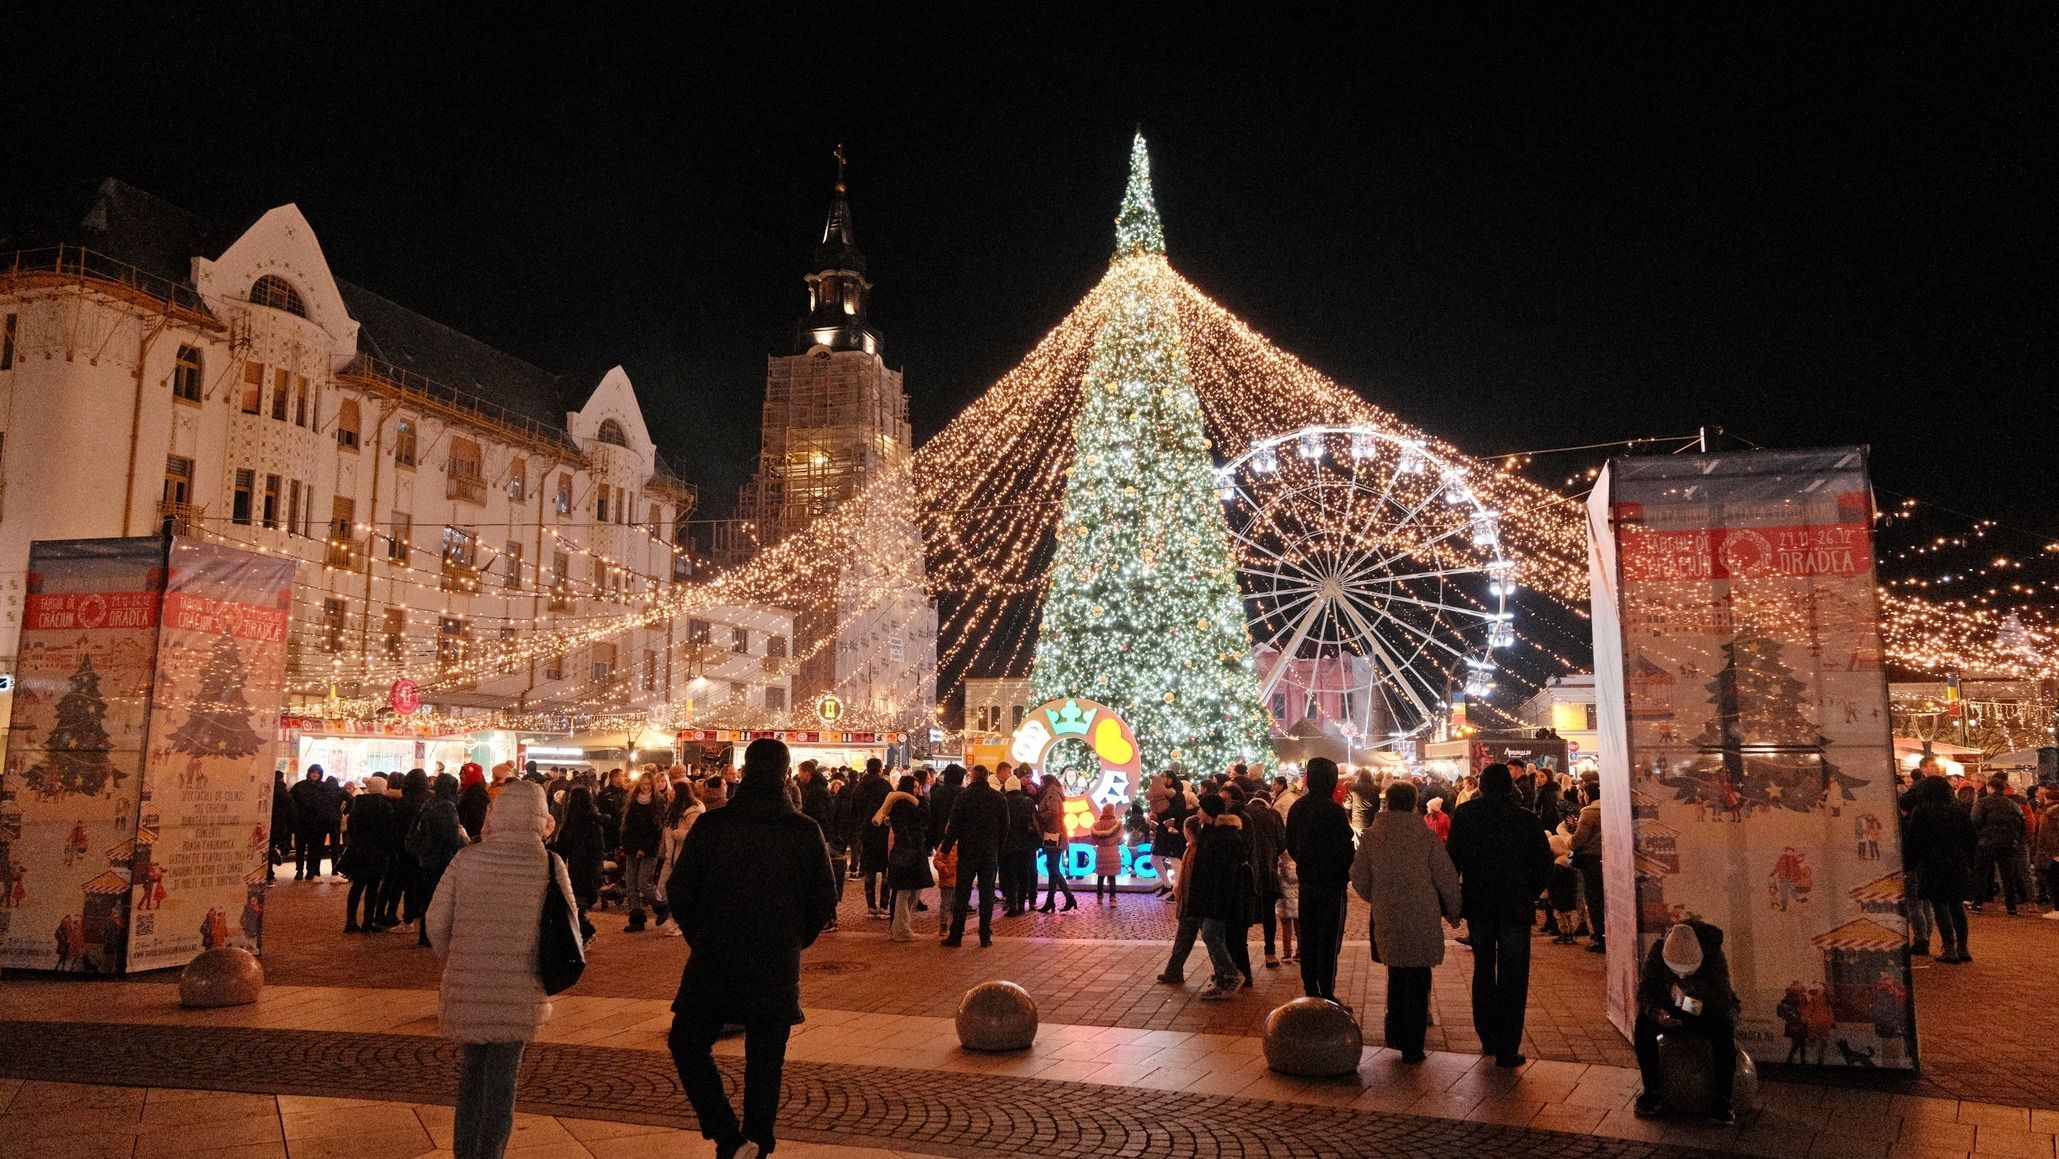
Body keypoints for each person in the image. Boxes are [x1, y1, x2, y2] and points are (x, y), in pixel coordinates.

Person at [666, 738, 837, 1159]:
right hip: (775, 959)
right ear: (784, 773)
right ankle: (756, 1142)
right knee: (765, 1061)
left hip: (715, 955)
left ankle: (727, 1133)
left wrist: (699, 933)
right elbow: (823, 899)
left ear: (744, 771)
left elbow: (679, 889)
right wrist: (796, 938)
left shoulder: (714, 825)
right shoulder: (803, 830)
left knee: (687, 1043)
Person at [425, 778, 574, 1159]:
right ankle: (490, 1153)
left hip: (469, 983)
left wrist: (455, 957)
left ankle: (465, 1152)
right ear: (541, 817)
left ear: (497, 813)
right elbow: (568, 922)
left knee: (473, 1073)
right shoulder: (550, 864)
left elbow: (435, 922)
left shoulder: (468, 859)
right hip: (522, 986)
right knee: (503, 1081)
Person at [1446, 763, 1553, 1067]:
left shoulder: (1466, 816)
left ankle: (1487, 1035)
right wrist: (1529, 891)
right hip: (1515, 906)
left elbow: (1452, 860)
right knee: (1514, 974)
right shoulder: (1526, 820)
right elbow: (1545, 866)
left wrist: (1454, 900)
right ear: (1510, 787)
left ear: (1481, 785)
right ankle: (1508, 1046)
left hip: (1479, 903)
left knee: (1483, 967)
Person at [1351, 781, 1462, 1062]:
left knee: (1397, 972)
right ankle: (1413, 1043)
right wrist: (1453, 909)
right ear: (1414, 803)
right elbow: (1445, 876)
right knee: (1419, 974)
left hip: (1388, 912)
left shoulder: (1373, 836)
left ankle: (1395, 1033)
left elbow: (1359, 877)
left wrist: (1377, 896)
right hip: (1422, 910)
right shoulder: (1425, 836)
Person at [1632, 921, 1740, 1124]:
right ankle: (1652, 1092)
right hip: (1670, 1007)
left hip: (1705, 1010)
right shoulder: (1658, 951)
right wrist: (1657, 1013)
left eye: (1688, 971)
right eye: (1676, 971)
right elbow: (1644, 992)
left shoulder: (1713, 954)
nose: (1681, 975)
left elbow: (1721, 1002)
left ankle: (1723, 1101)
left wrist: (1685, 999)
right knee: (1642, 1026)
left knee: (1723, 1029)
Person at [1285, 757, 1355, 1005]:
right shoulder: (1333, 810)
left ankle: (1310, 988)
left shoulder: (1298, 808)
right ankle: (1325, 991)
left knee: (1310, 937)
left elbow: (1290, 843)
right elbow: (1347, 848)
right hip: (1331, 884)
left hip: (1308, 881)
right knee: (1328, 940)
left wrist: (1306, 861)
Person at [1184, 795, 1252, 1000]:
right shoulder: (1211, 832)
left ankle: (1231, 974)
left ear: (1210, 812)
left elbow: (1223, 872)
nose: (1198, 812)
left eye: (1201, 809)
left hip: (1220, 898)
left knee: (1211, 934)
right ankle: (1222, 980)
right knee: (1213, 935)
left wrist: (1215, 896)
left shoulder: (1225, 836)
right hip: (1211, 897)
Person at [1903, 773, 1977, 963]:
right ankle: (1963, 947)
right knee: (1957, 906)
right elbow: (1971, 838)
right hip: (1957, 862)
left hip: (1932, 863)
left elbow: (1914, 841)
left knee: (1940, 906)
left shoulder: (1922, 811)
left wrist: (1909, 863)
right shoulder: (1958, 810)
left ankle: (1949, 948)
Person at [939, 765, 1005, 947]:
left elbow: (954, 826)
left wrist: (945, 849)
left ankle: (956, 935)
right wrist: (997, 848)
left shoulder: (964, 797)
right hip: (988, 853)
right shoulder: (998, 798)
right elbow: (1005, 827)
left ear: (973, 777)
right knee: (986, 894)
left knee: (962, 894)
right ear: (986, 777)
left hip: (967, 851)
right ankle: (985, 935)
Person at [877, 775, 933, 942]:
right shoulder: (904, 805)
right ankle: (901, 928)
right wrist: (922, 800)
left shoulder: (900, 804)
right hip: (909, 852)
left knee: (908, 891)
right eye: (915, 787)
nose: (918, 790)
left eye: (918, 787)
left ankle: (899, 927)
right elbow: (924, 816)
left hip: (908, 851)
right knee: (906, 891)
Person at [549, 785, 607, 943]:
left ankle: (585, 933)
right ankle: (583, 932)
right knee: (574, 904)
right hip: (576, 869)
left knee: (577, 904)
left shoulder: (585, 823)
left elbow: (594, 851)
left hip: (582, 870)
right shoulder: (582, 822)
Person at [1239, 786, 1287, 967]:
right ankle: (1270, 953)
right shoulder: (1273, 814)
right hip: (1268, 872)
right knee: (1269, 915)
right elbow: (1283, 841)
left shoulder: (1243, 814)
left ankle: (1242, 958)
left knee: (1242, 917)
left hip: (1246, 873)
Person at [1969, 773, 2028, 915]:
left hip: (1986, 843)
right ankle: (2011, 906)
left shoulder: (1982, 803)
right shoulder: (2013, 804)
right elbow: (2021, 824)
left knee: (1981, 874)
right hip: (2008, 843)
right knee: (2007, 875)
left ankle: (1977, 903)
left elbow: (1974, 822)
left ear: (1990, 788)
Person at [342, 775, 395, 933]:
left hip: (359, 850)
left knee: (357, 887)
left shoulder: (358, 804)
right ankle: (368, 922)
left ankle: (350, 922)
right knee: (372, 888)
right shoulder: (385, 806)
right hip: (377, 851)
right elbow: (388, 831)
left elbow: (350, 829)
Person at [619, 770, 670, 933]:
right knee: (631, 884)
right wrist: (628, 845)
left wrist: (644, 848)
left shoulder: (658, 802)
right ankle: (636, 918)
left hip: (648, 848)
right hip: (631, 847)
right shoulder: (632, 801)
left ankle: (661, 906)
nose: (646, 787)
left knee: (644, 882)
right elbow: (627, 825)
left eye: (648, 784)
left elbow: (656, 830)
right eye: (643, 784)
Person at [654, 783, 706, 937]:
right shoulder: (673, 810)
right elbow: (666, 831)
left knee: (678, 891)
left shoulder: (693, 811)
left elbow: (695, 833)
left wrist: (678, 834)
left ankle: (679, 922)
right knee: (663, 889)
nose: (669, 793)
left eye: (673, 791)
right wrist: (663, 848)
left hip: (683, 856)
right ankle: (674, 918)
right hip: (671, 856)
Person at [381, 770, 430, 929]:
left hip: (405, 848)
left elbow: (397, 828)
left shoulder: (405, 802)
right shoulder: (430, 800)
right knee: (419, 883)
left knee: (401, 882)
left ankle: (396, 915)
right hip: (424, 848)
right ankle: (415, 914)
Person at [852, 758, 893, 918]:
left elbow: (853, 812)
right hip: (882, 831)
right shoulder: (885, 786)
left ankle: (871, 906)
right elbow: (891, 807)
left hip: (865, 832)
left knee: (869, 870)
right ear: (880, 769)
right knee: (885, 870)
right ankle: (884, 905)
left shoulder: (859, 788)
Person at [1568, 782, 1605, 951]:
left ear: (1587, 794)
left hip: (1591, 860)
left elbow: (1578, 839)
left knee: (1594, 899)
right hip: (1607, 859)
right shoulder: (1611, 809)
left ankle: (1599, 936)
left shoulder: (1589, 813)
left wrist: (1569, 839)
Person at [1035, 774, 1078, 912]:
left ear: (1046, 782)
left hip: (1054, 834)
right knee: (1053, 869)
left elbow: (1053, 812)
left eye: (1041, 782)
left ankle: (1067, 898)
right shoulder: (1051, 792)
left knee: (1053, 868)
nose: (1040, 784)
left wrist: (1038, 816)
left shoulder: (1051, 793)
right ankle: (1052, 901)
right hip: (1055, 834)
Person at [1000, 775, 1041, 916]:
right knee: (1024, 875)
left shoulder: (1003, 801)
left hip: (1008, 845)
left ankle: (1012, 905)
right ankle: (1022, 904)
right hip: (1026, 845)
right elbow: (1036, 821)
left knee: (1010, 876)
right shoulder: (1028, 801)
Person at [290, 766, 337, 879]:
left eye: (318, 772)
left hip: (317, 823)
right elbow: (292, 802)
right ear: (309, 773)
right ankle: (299, 870)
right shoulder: (300, 786)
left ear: (321, 774)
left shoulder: (323, 787)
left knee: (313, 848)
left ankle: (310, 870)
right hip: (302, 822)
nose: (315, 774)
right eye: (313, 772)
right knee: (300, 848)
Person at [1089, 804, 1124, 903]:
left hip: (1101, 852)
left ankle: (1099, 897)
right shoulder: (1117, 824)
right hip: (1113, 852)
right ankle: (1112, 898)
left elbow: (1093, 841)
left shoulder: (1097, 825)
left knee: (1101, 876)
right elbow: (1121, 840)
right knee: (1112, 877)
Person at [2033, 786, 2059, 919]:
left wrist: (2052, 853)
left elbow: (2049, 836)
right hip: (2054, 852)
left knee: (2055, 880)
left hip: (2054, 853)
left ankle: (2058, 909)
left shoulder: (2051, 814)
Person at [268, 769, 297, 884]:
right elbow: (291, 808)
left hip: (268, 822)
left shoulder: (267, 788)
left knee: (267, 848)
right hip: (279, 823)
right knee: (271, 846)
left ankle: (269, 872)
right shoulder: (283, 790)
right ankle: (270, 872)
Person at [1275, 846, 1300, 964]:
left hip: (1285, 899)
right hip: (1297, 899)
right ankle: (1300, 951)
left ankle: (1287, 952)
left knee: (1286, 928)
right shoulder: (1299, 860)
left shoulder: (1282, 863)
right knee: (1299, 927)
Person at [457, 762, 491, 843]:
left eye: (464, 773)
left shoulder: (477, 793)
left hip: (471, 837)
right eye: (461, 773)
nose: (461, 776)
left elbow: (478, 818)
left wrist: (473, 837)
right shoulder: (466, 790)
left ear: (473, 775)